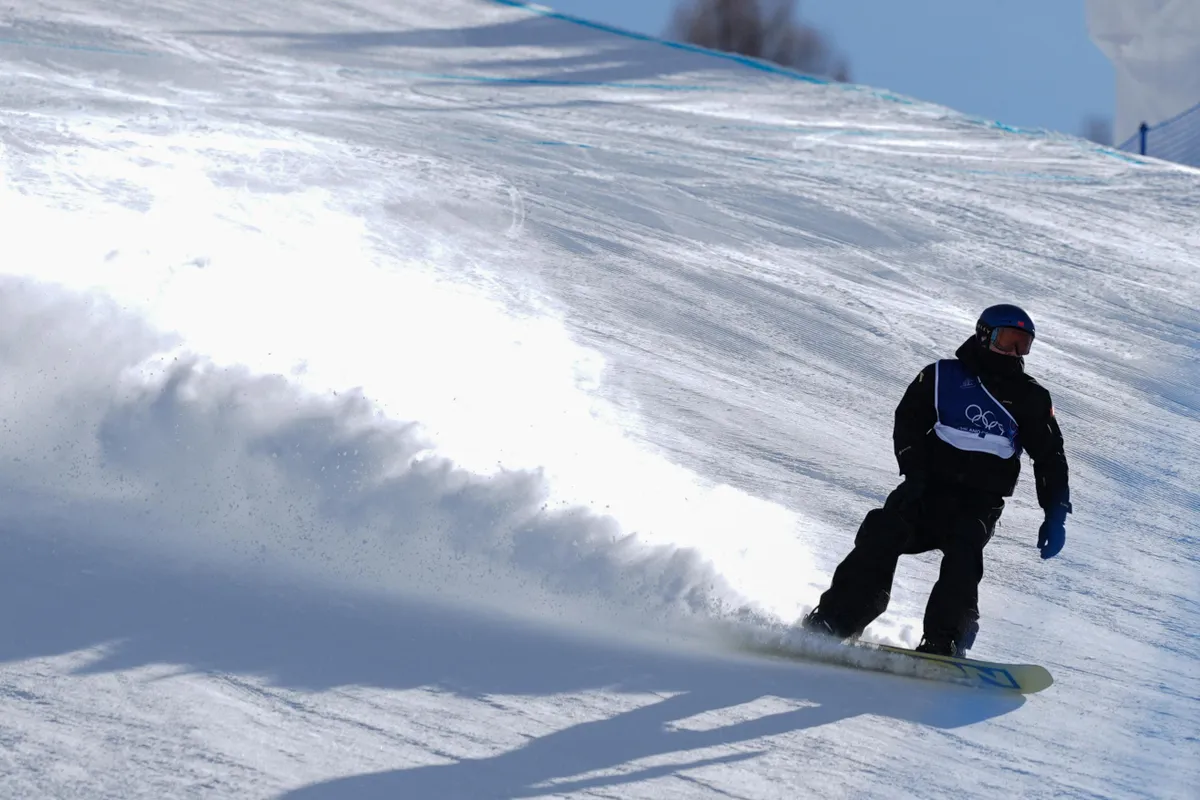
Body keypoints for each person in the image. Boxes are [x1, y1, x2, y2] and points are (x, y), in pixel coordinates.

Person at [802, 304, 1072, 657]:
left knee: (964, 551)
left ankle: (945, 640)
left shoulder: (1031, 397)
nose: (1014, 352)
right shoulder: (942, 376)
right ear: (984, 335)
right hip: (925, 491)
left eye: (1023, 344)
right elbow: (908, 421)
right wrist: (914, 472)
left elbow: (1050, 456)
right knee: (883, 530)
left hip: (978, 502)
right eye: (1007, 341)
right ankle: (834, 622)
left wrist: (1055, 514)